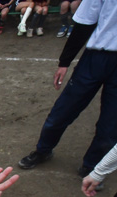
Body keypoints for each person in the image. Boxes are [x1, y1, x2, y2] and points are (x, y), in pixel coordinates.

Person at [17, 0, 117, 177]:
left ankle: (92, 166)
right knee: (63, 110)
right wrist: (65, 62)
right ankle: (43, 150)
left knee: (110, 123)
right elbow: (85, 22)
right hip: (96, 57)